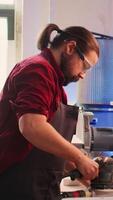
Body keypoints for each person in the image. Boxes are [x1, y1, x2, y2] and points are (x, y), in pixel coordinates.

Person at [0, 23, 99, 200]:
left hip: (39, 187)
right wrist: (79, 157)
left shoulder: (56, 85)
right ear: (70, 47)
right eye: (85, 66)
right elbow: (31, 126)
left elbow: (46, 145)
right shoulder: (37, 70)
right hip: (15, 185)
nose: (82, 74)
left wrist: (75, 166)